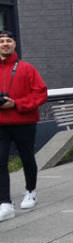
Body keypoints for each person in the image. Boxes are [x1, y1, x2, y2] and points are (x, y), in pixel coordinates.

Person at [0, 31, 47, 222]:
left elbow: (41, 94)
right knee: (0, 162)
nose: (5, 44)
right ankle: (5, 203)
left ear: (14, 45)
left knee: (27, 158)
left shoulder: (27, 69)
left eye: (8, 41)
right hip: (1, 125)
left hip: (24, 122)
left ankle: (30, 191)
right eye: (1, 41)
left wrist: (17, 103)